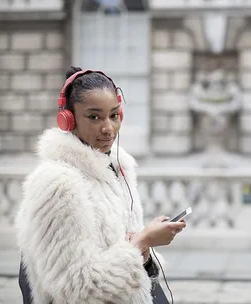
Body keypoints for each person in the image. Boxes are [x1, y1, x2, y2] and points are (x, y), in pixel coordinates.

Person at [15, 66, 186, 304]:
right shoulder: (57, 185)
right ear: (68, 120)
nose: (108, 128)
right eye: (94, 117)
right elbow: (77, 287)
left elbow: (118, 249)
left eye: (114, 115)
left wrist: (145, 250)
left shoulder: (116, 168)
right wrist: (142, 242)